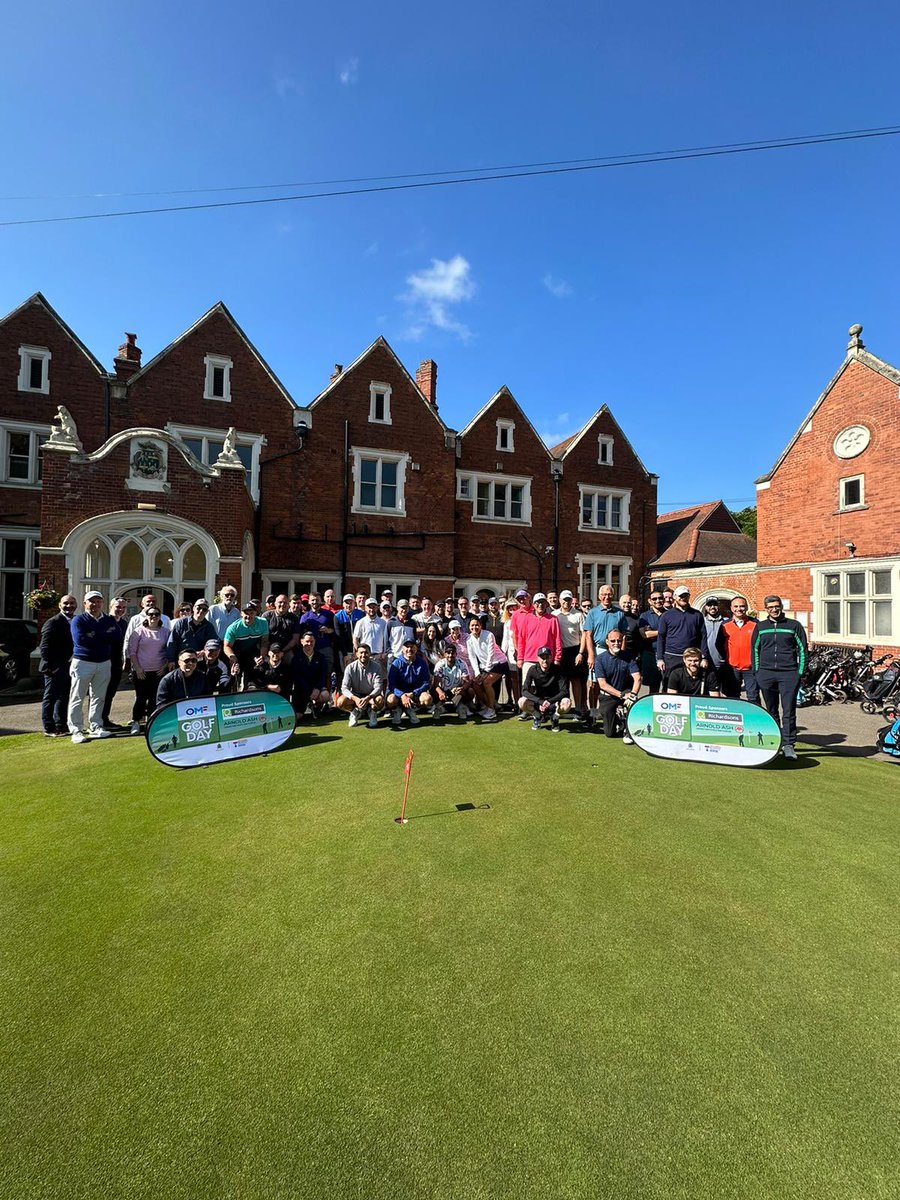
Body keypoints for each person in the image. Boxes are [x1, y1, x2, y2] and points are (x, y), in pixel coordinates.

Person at [751, 596, 808, 760]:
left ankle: (789, 744)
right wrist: (757, 671)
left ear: (781, 607)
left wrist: (799, 672)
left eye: (777, 606)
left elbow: (803, 650)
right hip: (766, 673)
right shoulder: (760, 627)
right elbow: (755, 650)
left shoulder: (793, 625)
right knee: (771, 709)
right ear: (766, 609)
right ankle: (775, 740)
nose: (774, 610)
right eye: (770, 607)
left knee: (789, 710)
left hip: (788, 673)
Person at [68, 591, 118, 744]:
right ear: (85, 604)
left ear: (102, 603)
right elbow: (81, 640)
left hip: (104, 662)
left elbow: (116, 636)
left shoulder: (109, 619)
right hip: (83, 662)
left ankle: (95, 726)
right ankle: (76, 729)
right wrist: (104, 635)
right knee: (77, 697)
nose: (95, 604)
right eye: (91, 601)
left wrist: (94, 634)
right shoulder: (78, 620)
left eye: (98, 601)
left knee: (99, 696)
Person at [125, 605, 170, 733]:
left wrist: (164, 667)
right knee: (141, 697)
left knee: (154, 697)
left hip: (159, 671)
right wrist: (137, 668)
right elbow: (132, 652)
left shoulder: (165, 632)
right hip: (141, 671)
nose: (153, 616)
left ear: (160, 616)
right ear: (146, 616)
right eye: (151, 614)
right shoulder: (138, 631)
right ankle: (136, 721)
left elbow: (169, 651)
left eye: (156, 614)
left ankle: (151, 722)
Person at [593, 630, 641, 742]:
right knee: (609, 733)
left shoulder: (629, 657)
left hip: (626, 692)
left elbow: (637, 678)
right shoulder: (600, 659)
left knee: (633, 702)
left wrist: (633, 694)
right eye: (613, 641)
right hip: (608, 696)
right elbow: (603, 685)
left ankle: (628, 731)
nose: (616, 643)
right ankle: (618, 717)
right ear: (607, 642)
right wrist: (621, 695)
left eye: (619, 641)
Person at [39, 594, 77, 736]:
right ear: (60, 605)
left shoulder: (75, 620)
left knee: (64, 697)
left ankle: (61, 725)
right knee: (51, 697)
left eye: (72, 603)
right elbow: (44, 646)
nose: (69, 606)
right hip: (54, 667)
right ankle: (48, 727)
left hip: (69, 666)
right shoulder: (53, 622)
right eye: (66, 603)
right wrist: (50, 666)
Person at [656, 585, 709, 676]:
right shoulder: (666, 615)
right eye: (681, 596)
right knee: (669, 686)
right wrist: (660, 659)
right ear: (675, 597)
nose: (683, 598)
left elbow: (703, 637)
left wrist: (704, 657)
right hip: (671, 657)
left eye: (686, 596)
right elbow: (661, 637)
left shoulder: (697, 615)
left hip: (691, 657)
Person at [511, 592, 562, 683]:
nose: (540, 605)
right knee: (527, 688)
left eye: (542, 602)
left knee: (545, 688)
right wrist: (520, 658)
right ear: (533, 604)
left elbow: (557, 639)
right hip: (529, 658)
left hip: (546, 659)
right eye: (537, 603)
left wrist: (557, 658)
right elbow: (522, 639)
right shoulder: (527, 618)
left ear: (546, 604)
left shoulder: (553, 619)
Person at [520, 647, 572, 732]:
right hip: (539, 702)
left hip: (554, 702)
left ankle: (555, 718)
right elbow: (524, 690)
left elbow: (564, 691)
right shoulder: (533, 670)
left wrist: (550, 701)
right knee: (521, 701)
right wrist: (540, 702)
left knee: (567, 702)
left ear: (551, 658)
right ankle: (537, 716)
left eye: (547, 657)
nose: (545, 660)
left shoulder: (558, 669)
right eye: (542, 658)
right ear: (538, 658)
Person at [466, 615, 507, 721]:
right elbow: (472, 657)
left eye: (477, 625)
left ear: (481, 626)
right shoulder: (469, 639)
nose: (475, 627)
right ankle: (489, 705)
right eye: (472, 625)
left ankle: (491, 709)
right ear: (469, 627)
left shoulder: (489, 635)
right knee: (475, 684)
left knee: (486, 683)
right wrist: (477, 672)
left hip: (499, 663)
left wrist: (486, 671)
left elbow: (491, 654)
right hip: (484, 666)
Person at [554, 589, 587, 717]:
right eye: (564, 600)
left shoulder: (578, 615)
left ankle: (578, 708)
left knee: (576, 680)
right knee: (562, 681)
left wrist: (580, 653)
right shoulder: (555, 615)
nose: (566, 602)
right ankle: (564, 708)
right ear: (560, 601)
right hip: (560, 651)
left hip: (575, 650)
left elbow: (584, 634)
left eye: (568, 600)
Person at [720, 596, 760, 702]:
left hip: (751, 668)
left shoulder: (756, 624)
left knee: (753, 697)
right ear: (731, 608)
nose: (739, 609)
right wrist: (728, 657)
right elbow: (719, 644)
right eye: (736, 606)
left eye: (742, 606)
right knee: (733, 697)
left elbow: (761, 645)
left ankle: (753, 718)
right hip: (733, 668)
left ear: (746, 607)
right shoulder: (725, 625)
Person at [336, 643, 386, 728]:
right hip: (356, 695)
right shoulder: (350, 667)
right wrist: (355, 699)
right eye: (361, 652)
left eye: (366, 652)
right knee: (340, 702)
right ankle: (354, 712)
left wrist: (368, 697)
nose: (364, 655)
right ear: (356, 654)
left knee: (380, 701)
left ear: (370, 653)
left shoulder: (377, 667)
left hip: (370, 696)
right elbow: (344, 688)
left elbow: (378, 687)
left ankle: (372, 713)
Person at [386, 639, 433, 727]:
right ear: (403, 649)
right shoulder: (396, 663)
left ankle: (411, 709)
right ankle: (398, 709)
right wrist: (402, 695)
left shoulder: (422, 663)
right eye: (407, 647)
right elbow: (391, 685)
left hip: (415, 693)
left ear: (416, 648)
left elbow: (426, 683)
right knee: (390, 700)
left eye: (412, 647)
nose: (409, 649)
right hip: (399, 694)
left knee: (427, 699)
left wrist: (413, 693)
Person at [223, 602, 270, 689]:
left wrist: (262, 656)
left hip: (252, 652)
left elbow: (264, 642)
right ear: (241, 614)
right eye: (246, 613)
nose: (249, 616)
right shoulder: (233, 628)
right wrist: (232, 657)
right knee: (235, 674)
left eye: (251, 613)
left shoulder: (263, 623)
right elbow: (227, 646)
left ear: (256, 613)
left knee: (257, 672)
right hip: (237, 653)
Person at [100, 596, 129, 730]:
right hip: (103, 662)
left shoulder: (124, 623)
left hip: (117, 664)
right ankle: (97, 721)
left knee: (110, 693)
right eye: (118, 607)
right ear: (111, 607)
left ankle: (105, 719)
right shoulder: (103, 621)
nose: (120, 610)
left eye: (123, 607)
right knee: (99, 694)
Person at [291, 630, 332, 717]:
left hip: (316, 688)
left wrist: (317, 688)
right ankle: (306, 706)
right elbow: (297, 676)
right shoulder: (296, 658)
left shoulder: (321, 657)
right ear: (302, 642)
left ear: (315, 642)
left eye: (311, 641)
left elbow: (323, 675)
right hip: (301, 689)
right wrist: (309, 690)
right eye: (307, 641)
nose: (309, 644)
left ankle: (317, 706)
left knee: (325, 695)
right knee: (298, 716)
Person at [432, 643, 475, 721]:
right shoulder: (440, 665)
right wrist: (440, 692)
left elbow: (467, 681)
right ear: (445, 654)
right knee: (433, 690)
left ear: (456, 654)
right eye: (448, 653)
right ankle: (439, 706)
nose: (450, 655)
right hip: (443, 690)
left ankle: (460, 705)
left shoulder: (462, 663)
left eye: (452, 653)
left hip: (456, 691)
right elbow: (436, 684)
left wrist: (461, 688)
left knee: (470, 691)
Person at [166, 598, 217, 664]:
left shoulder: (209, 626)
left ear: (207, 612)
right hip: (181, 661)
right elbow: (172, 642)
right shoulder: (181, 623)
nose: (201, 611)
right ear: (193, 608)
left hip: (199, 661)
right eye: (198, 608)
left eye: (204, 609)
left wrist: (204, 651)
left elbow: (213, 642)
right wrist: (171, 660)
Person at [298, 593, 336, 677]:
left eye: (317, 600)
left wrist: (328, 630)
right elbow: (301, 634)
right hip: (311, 649)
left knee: (327, 672)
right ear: (309, 601)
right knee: (311, 673)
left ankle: (327, 690)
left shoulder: (329, 614)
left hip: (326, 647)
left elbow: (336, 630)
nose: (315, 602)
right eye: (312, 600)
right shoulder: (305, 616)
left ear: (321, 601)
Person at [637, 589, 666, 695]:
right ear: (650, 601)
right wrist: (663, 632)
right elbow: (645, 634)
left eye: (660, 598)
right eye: (654, 599)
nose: (658, 600)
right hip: (650, 653)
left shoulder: (669, 614)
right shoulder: (644, 616)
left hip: (666, 653)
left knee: (667, 685)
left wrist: (653, 632)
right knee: (653, 686)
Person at [353, 598, 389, 668]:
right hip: (365, 656)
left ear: (377, 608)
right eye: (369, 607)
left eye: (374, 607)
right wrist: (359, 653)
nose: (371, 609)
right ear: (365, 608)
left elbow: (386, 640)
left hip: (379, 657)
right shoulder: (360, 622)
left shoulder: (383, 622)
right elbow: (355, 639)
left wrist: (384, 654)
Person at [334, 594, 363, 669]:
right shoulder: (338, 616)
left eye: (351, 603)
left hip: (359, 651)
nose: (349, 605)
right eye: (347, 603)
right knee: (346, 675)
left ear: (354, 604)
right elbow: (339, 636)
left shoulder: (361, 614)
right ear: (343, 604)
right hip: (345, 651)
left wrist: (359, 650)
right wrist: (345, 654)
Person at [701, 597, 727, 678]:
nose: (712, 607)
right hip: (705, 662)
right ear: (705, 607)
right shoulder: (701, 622)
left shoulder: (726, 622)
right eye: (709, 605)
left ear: (719, 606)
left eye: (715, 604)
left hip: (722, 662)